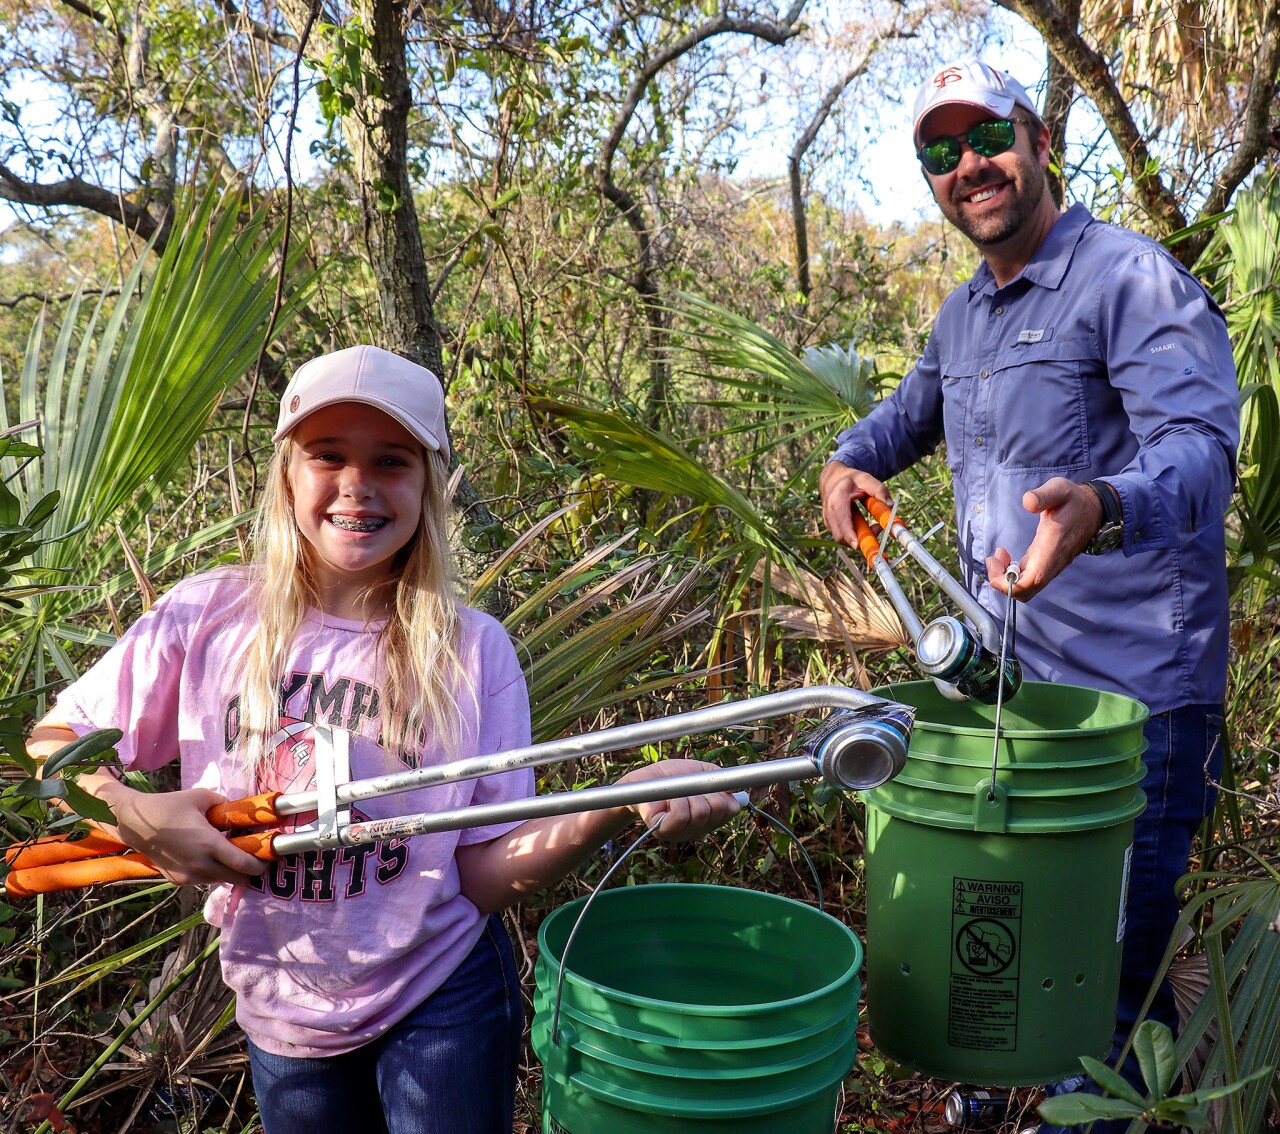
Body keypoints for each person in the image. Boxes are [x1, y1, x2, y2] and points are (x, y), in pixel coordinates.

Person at [27, 344, 741, 1134]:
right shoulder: (206, 618)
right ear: (287, 475)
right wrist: (130, 811)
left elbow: (481, 875)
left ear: (428, 483)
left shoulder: (472, 650)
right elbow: (54, 740)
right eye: (327, 455)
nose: (357, 485)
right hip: (279, 997)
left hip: (442, 994)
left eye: (391, 461)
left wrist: (615, 803)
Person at [818, 60, 1238, 1129]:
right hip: (1008, 695)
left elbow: (1200, 450)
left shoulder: (1129, 279)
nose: (968, 165)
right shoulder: (965, 314)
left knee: (1106, 990)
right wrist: (849, 458)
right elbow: (905, 416)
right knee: (1019, 953)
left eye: (987, 137)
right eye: (940, 150)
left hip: (1132, 710)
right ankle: (1006, 1099)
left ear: (1039, 141)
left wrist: (1102, 503)